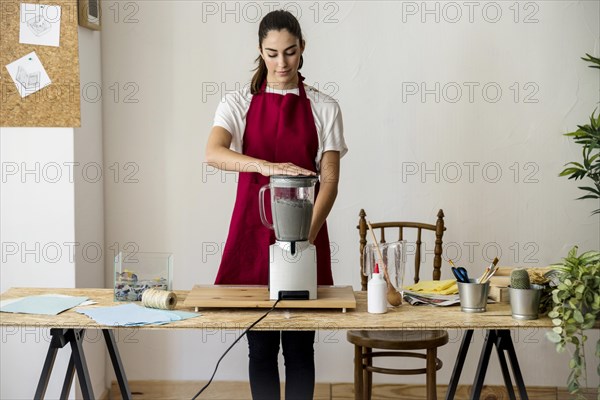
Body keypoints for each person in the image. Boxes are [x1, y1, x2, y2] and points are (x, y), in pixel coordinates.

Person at [205, 9, 347, 400]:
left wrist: (304, 241)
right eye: (272, 53)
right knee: (261, 346)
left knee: (301, 346)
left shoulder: (324, 106)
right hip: (252, 232)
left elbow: (330, 181)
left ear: (303, 48)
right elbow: (214, 153)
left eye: (289, 52)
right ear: (259, 51)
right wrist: (267, 167)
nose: (281, 63)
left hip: (309, 231)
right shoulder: (238, 102)